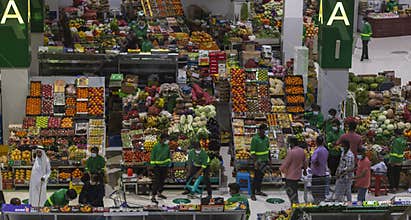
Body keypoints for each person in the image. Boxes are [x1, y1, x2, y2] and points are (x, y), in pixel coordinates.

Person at [280, 136, 306, 204]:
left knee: (291, 193)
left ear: (292, 143)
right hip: (298, 175)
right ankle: (295, 205)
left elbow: (286, 163)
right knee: (294, 191)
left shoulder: (291, 152)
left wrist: (280, 170)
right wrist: (305, 171)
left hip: (290, 176)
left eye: (289, 143)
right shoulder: (302, 150)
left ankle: (295, 207)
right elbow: (305, 162)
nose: (288, 144)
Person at [250, 124, 271, 201]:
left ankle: (258, 191)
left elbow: (268, 150)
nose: (265, 131)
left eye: (266, 130)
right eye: (264, 130)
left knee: (261, 177)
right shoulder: (255, 139)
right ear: (260, 130)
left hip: (265, 161)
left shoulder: (266, 139)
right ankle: (252, 193)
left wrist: (269, 160)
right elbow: (252, 152)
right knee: (256, 178)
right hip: (258, 162)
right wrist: (256, 162)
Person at [150, 133, 171, 203]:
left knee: (162, 181)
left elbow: (168, 156)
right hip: (157, 167)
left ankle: (159, 193)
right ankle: (153, 196)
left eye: (167, 139)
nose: (166, 141)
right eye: (165, 139)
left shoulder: (167, 146)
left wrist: (169, 164)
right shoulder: (156, 146)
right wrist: (152, 166)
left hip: (165, 167)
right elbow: (152, 156)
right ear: (161, 139)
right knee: (156, 182)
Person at [388, 129, 408, 193]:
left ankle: (393, 188)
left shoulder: (396, 141)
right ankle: (396, 187)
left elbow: (395, 152)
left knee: (391, 174)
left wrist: (392, 161)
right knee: (397, 174)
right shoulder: (403, 140)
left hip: (395, 160)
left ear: (396, 134)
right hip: (400, 160)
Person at [310, 136, 329, 203]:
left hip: (316, 174)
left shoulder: (317, 151)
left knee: (316, 190)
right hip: (323, 173)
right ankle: (321, 202)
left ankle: (317, 202)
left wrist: (316, 163)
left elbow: (313, 160)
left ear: (316, 142)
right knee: (321, 190)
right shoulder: (325, 150)